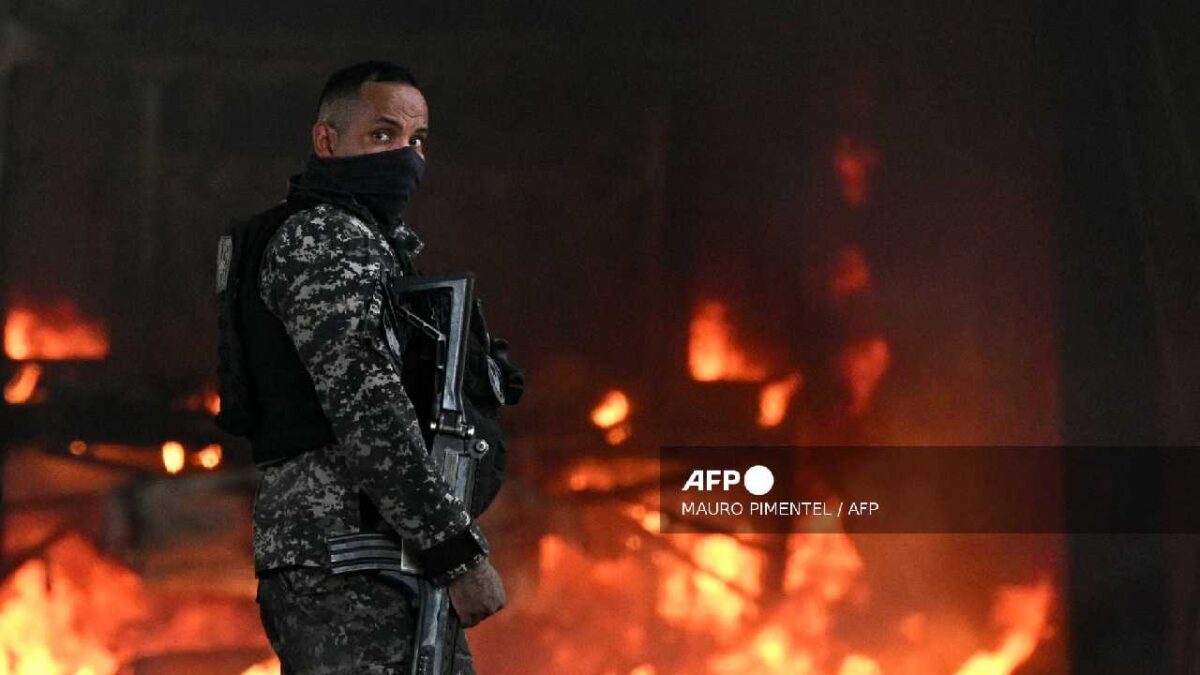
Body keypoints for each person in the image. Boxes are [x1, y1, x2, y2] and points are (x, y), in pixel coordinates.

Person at [219, 61, 518, 674]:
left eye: (417, 141)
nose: (406, 156)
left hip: (368, 557)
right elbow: (372, 416)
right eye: (383, 135)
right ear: (327, 142)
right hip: (349, 561)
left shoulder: (360, 239)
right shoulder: (326, 239)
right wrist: (458, 555)